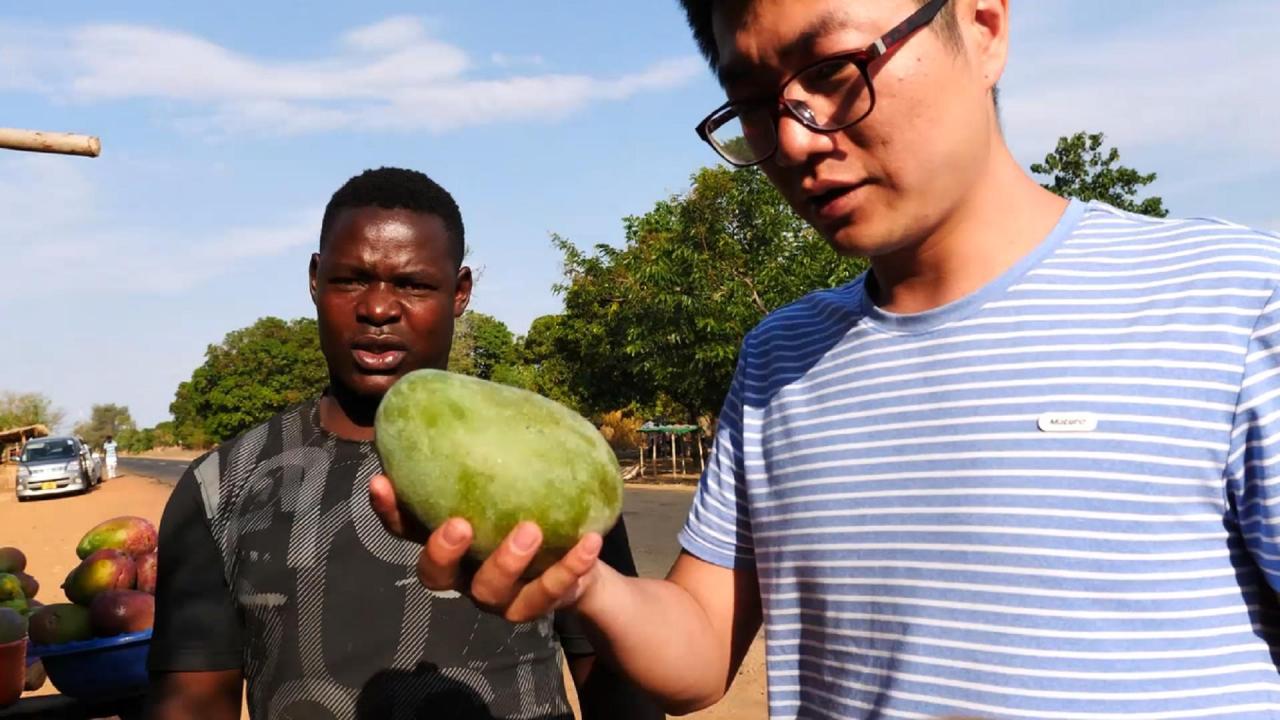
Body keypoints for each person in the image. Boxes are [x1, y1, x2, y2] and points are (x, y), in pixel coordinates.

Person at [371, 1, 1280, 718]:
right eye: (759, 103)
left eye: (835, 71)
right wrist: (584, 584)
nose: (797, 139)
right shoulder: (780, 358)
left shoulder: (1234, 302)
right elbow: (697, 654)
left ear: (984, 25)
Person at [147, 167, 659, 720]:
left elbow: (618, 685)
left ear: (459, 292)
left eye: (413, 284)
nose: (378, 308)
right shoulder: (222, 486)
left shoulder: (550, 468)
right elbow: (192, 701)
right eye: (350, 279)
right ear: (316, 279)